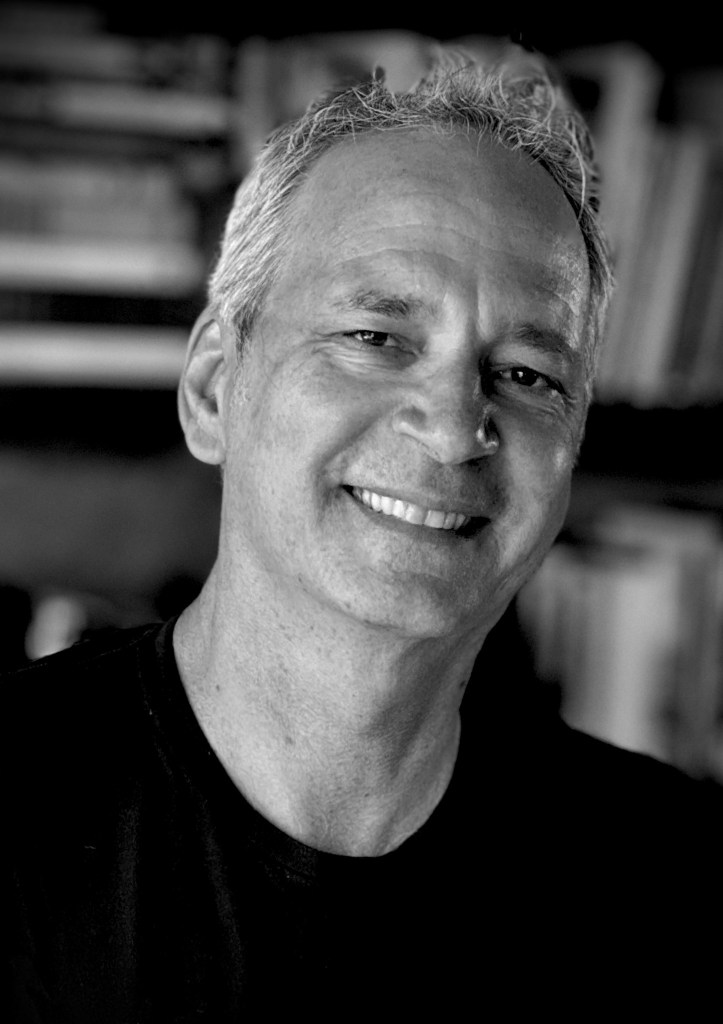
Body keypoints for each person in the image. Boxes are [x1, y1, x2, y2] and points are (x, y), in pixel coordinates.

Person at [6, 44, 722, 1020]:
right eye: (376, 338)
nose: (456, 424)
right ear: (216, 386)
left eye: (528, 375)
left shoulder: (681, 886)